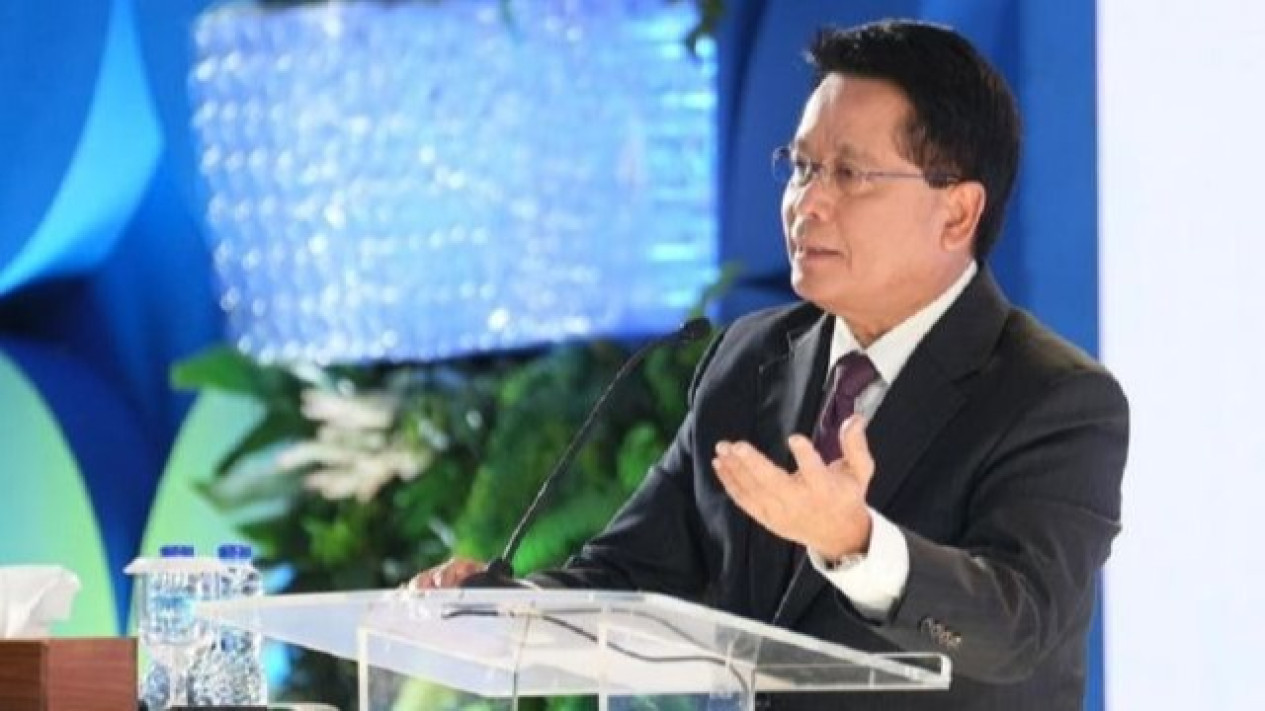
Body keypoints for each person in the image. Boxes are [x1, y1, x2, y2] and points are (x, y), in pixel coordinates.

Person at [414, 19, 1128, 711]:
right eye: (802, 166)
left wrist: (857, 543)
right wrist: (511, 609)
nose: (806, 202)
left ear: (957, 213)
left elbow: (1016, 626)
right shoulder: (750, 357)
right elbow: (634, 571)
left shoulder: (1053, 398)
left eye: (849, 173)